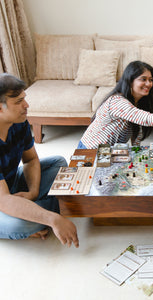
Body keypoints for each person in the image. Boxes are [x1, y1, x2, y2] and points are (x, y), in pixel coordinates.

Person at [0, 73, 79, 247]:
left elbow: (30, 160)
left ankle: (30, 209)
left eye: (24, 99)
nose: (26, 105)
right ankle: (34, 216)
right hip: (1, 199)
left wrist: (33, 192)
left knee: (58, 163)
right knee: (19, 224)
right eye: (18, 102)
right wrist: (53, 218)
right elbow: (3, 200)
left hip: (11, 184)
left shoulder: (18, 122)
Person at [78, 61, 153, 149]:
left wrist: (136, 152)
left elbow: (137, 132)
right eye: (143, 79)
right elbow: (147, 119)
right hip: (90, 151)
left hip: (108, 153)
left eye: (151, 80)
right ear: (130, 81)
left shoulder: (138, 102)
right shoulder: (117, 101)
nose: (148, 84)